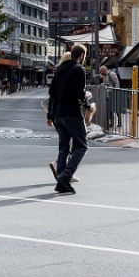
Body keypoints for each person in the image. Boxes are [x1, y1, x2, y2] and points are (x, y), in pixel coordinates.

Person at [47, 44, 88, 194]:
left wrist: (50, 114)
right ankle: (65, 177)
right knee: (81, 146)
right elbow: (80, 94)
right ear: (82, 55)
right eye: (85, 56)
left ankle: (61, 180)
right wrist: (87, 104)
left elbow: (52, 92)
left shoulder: (59, 70)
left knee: (64, 146)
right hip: (72, 113)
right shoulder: (78, 69)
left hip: (59, 115)